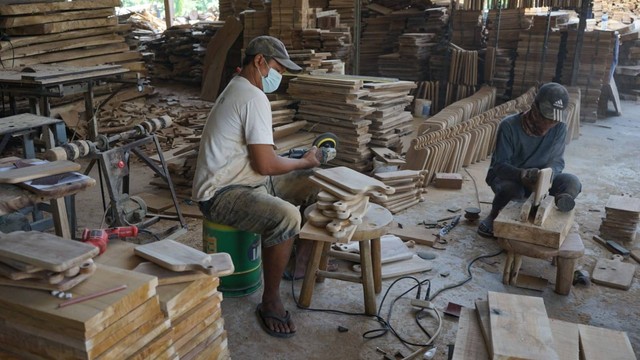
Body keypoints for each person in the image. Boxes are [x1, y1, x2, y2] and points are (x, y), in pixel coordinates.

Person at [192, 36, 321, 338]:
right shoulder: (252, 96)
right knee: (287, 216)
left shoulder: (239, 87)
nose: (280, 76)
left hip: (240, 178)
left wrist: (301, 164)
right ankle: (271, 301)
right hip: (221, 193)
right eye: (278, 67)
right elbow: (265, 165)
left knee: (315, 183)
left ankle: (299, 264)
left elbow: (262, 158)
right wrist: (303, 162)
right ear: (259, 61)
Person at [477, 82, 582, 238]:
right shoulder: (509, 126)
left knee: (572, 182)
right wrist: (522, 175)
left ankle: (556, 206)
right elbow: (499, 166)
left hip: (540, 179)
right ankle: (494, 215)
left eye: (553, 121)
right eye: (545, 118)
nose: (548, 125)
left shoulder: (559, 127)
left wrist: (547, 176)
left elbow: (557, 161)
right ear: (534, 108)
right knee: (513, 191)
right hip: (510, 177)